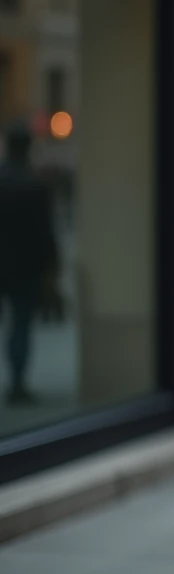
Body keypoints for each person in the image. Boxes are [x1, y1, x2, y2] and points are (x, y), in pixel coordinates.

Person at [0, 122, 59, 406]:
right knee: (21, 327)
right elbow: (45, 232)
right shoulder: (33, 184)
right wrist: (52, 268)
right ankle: (17, 383)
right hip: (25, 268)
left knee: (20, 327)